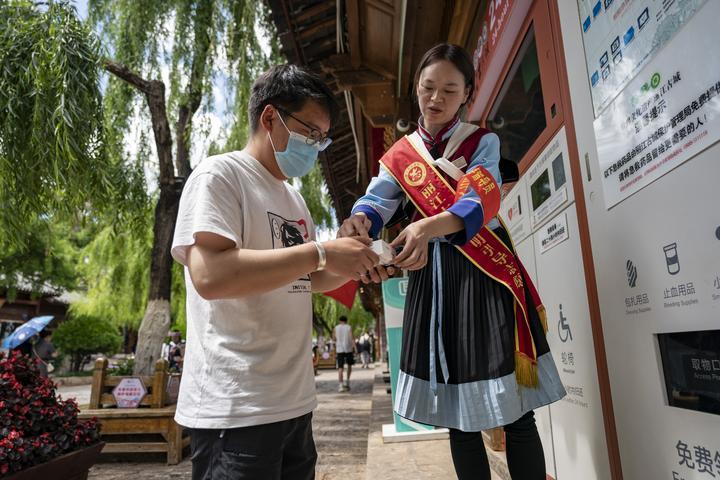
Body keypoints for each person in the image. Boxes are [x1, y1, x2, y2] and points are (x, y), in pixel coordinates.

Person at [338, 43, 566, 480]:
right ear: (416, 88)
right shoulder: (401, 155)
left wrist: (426, 227)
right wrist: (359, 221)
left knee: (517, 413)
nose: (436, 98)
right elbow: (377, 201)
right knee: (459, 420)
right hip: (436, 285)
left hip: (484, 277)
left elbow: (480, 198)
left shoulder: (481, 142)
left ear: (467, 95)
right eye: (428, 87)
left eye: (449, 89)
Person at [170, 64, 380, 480]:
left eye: (322, 138)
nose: (316, 146)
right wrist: (321, 252)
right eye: (310, 132)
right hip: (237, 408)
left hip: (294, 402)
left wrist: (354, 262)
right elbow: (211, 276)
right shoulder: (220, 176)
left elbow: (309, 278)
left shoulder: (294, 200)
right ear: (270, 117)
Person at [333, 316, 355, 392]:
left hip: (339, 349)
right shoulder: (349, 327)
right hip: (348, 349)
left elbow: (334, 338)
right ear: (346, 321)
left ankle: (340, 386)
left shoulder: (336, 328)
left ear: (340, 321)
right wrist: (355, 348)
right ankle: (347, 382)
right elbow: (352, 338)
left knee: (340, 367)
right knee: (349, 365)